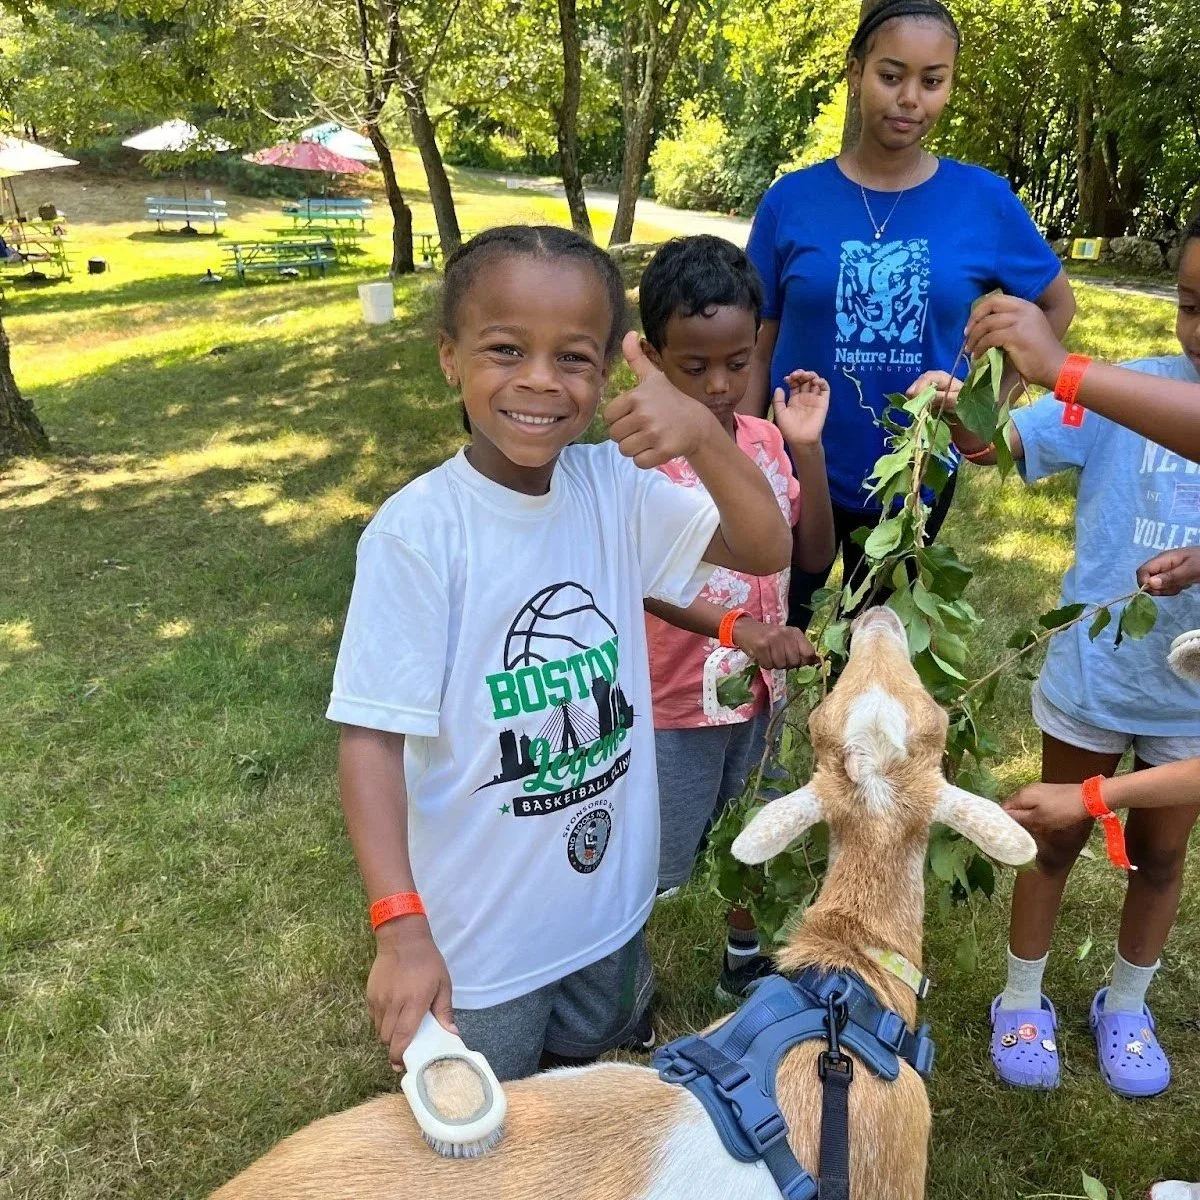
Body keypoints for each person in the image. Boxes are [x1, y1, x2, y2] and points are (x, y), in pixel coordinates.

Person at [325, 226, 791, 1083]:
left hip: (607, 913)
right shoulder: (418, 533)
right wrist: (400, 928)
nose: (540, 379)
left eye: (573, 357)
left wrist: (704, 435)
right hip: (481, 946)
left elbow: (764, 546)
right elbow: (369, 740)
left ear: (611, 370)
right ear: (449, 356)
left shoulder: (610, 488)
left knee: (594, 1090)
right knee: (486, 1136)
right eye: (506, 349)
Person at [946, 219, 1200, 1097]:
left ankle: (1125, 1005)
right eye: (1192, 306)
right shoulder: (1128, 394)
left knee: (1160, 859)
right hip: (1096, 679)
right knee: (1052, 841)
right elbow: (998, 449)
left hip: (1190, 707)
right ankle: (1022, 999)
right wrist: (965, 415)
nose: (1199, 330)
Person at [742, 0, 1074, 627]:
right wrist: (741, 446)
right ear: (855, 71)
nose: (909, 99)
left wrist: (987, 407)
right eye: (890, 76)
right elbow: (760, 341)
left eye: (932, 80)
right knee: (775, 637)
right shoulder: (792, 200)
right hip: (794, 462)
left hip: (913, 475)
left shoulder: (982, 200)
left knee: (877, 658)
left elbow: (1056, 305)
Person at [636, 236, 835, 998]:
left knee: (760, 829)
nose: (719, 386)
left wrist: (806, 451)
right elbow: (639, 582)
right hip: (676, 702)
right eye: (694, 368)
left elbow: (811, 551)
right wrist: (736, 631)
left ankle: (745, 957)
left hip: (762, 694)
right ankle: (617, 972)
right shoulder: (640, 457)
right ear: (654, 357)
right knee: (659, 851)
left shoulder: (765, 444)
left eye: (738, 362)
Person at [966, 212, 1200, 462]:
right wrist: (964, 408)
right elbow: (985, 446)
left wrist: (1061, 369)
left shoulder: (1101, 390)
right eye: (1189, 306)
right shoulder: (1108, 398)